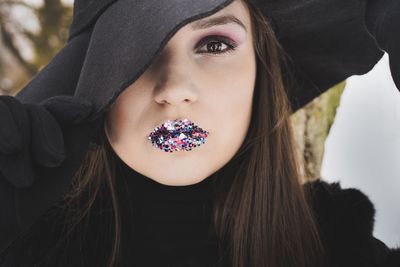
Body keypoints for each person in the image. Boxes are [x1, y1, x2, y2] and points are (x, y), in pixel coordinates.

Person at [0, 0, 399, 266]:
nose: (174, 90)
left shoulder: (339, 247)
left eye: (213, 44)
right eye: (139, 50)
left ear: (262, 73)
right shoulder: (19, 237)